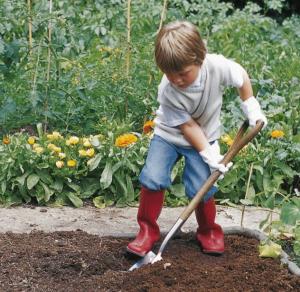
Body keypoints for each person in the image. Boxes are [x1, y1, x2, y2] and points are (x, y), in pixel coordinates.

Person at [127, 20, 267, 257]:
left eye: (182, 74)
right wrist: (210, 155)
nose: (176, 80)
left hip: (207, 135)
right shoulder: (168, 89)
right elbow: (188, 127)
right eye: (169, 74)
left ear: (199, 59)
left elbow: (241, 76)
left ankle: (209, 231)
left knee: (202, 186)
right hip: (169, 136)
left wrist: (250, 105)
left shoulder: (217, 67)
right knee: (152, 177)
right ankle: (147, 232)